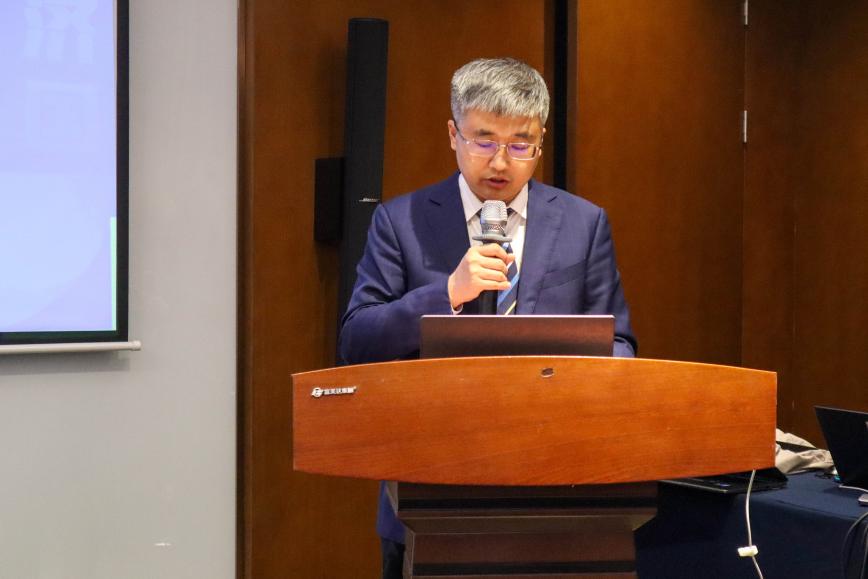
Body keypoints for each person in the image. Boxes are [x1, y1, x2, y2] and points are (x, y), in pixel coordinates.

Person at [338, 57, 637, 579]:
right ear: (453, 135)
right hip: (430, 487)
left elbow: (621, 343)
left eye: (521, 145)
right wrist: (448, 292)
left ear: (540, 142)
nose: (501, 163)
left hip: (556, 488)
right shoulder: (400, 221)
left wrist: (593, 370)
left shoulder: (584, 223)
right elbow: (357, 339)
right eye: (483, 141)